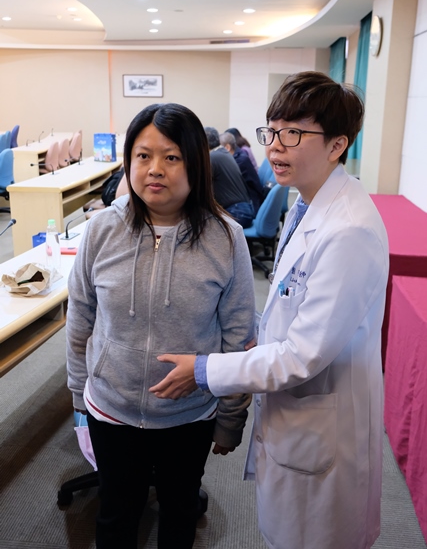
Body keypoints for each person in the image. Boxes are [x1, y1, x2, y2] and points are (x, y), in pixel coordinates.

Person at [150, 72, 389, 549]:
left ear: (337, 144)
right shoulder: (306, 205)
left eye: (293, 133)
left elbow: (302, 355)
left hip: (325, 421)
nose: (275, 146)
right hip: (296, 413)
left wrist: (205, 370)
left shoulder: (348, 229)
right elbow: (292, 307)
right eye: (272, 131)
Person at [66, 103, 254, 549]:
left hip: (189, 415)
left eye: (171, 157)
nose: (155, 169)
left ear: (196, 164)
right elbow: (80, 318)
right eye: (143, 156)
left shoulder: (226, 238)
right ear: (128, 161)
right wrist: (78, 396)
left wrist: (231, 418)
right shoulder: (101, 230)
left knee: (179, 513)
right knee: (115, 516)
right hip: (111, 408)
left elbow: (239, 336)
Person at [205, 126, 255, 228]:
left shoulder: (212, 158)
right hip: (243, 210)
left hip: (237, 212)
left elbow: (200, 186)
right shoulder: (223, 153)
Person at [220, 131, 264, 214]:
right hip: (249, 200)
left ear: (227, 147)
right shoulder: (239, 155)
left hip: (250, 204)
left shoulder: (239, 161)